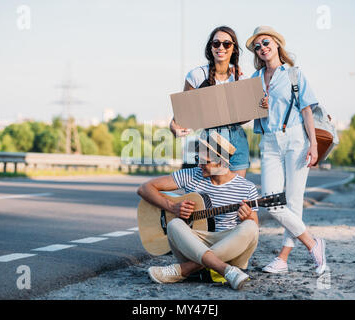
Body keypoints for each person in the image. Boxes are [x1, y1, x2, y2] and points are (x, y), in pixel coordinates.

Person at [246, 26, 327, 274]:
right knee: (271, 201)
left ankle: (282, 258)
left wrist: (313, 144)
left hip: (296, 139)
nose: (262, 48)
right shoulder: (253, 79)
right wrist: (257, 106)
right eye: (257, 46)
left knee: (293, 202)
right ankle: (313, 244)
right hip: (269, 141)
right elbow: (249, 115)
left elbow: (306, 110)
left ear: (277, 44)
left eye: (266, 42)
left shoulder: (294, 74)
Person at [137, 133, 259, 290]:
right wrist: (171, 207)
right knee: (174, 224)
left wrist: (248, 217)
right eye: (197, 159)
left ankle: (185, 270)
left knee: (250, 226)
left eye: (205, 162)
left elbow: (254, 229)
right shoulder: (191, 175)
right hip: (196, 244)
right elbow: (144, 188)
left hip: (230, 248)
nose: (199, 165)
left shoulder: (247, 188)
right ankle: (226, 271)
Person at [170, 26, 250, 178]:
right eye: (216, 43)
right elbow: (180, 116)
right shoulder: (197, 75)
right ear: (210, 47)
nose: (221, 47)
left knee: (237, 194)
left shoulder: (242, 79)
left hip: (237, 138)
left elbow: (246, 116)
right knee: (212, 194)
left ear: (233, 48)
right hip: (209, 139)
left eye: (226, 44)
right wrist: (174, 127)